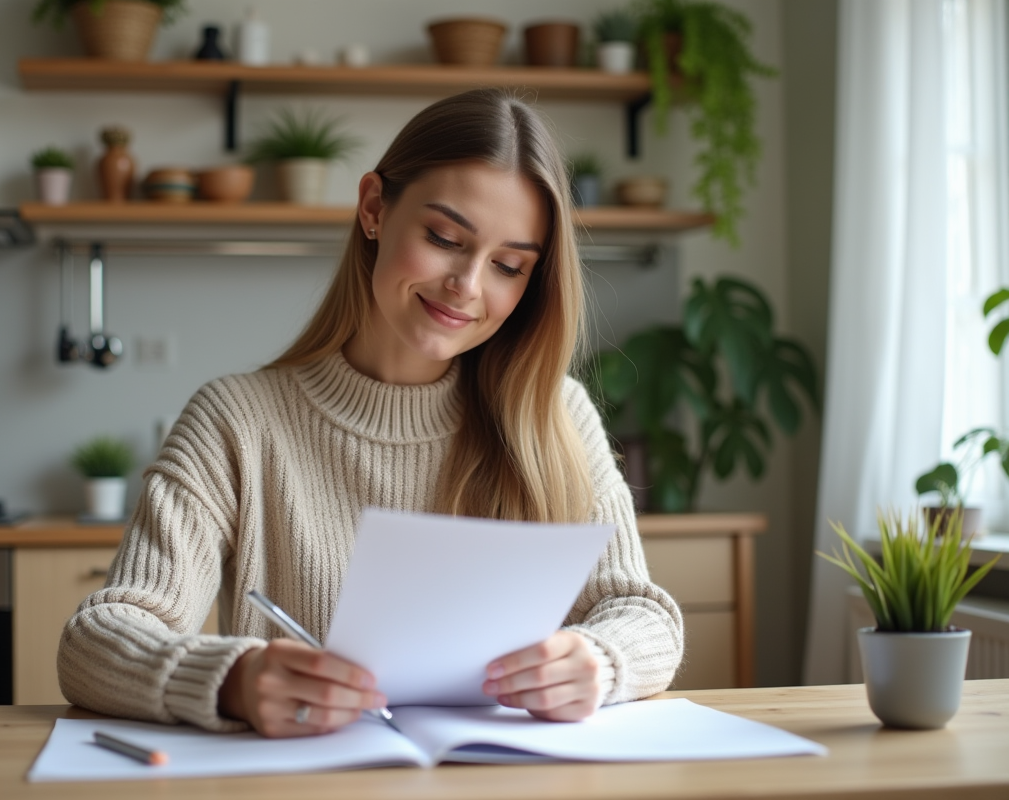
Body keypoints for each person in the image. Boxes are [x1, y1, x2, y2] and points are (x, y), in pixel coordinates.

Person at [57, 88, 684, 739]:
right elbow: (96, 643)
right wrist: (233, 680)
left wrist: (602, 662)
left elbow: (644, 618)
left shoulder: (557, 415)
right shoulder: (235, 422)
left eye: (508, 265)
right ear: (374, 209)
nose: (467, 286)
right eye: (444, 237)